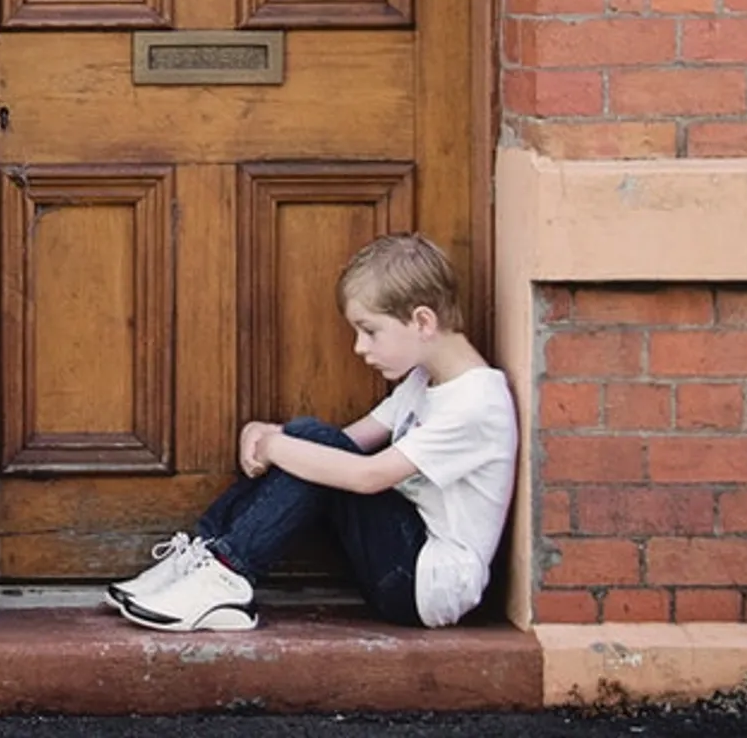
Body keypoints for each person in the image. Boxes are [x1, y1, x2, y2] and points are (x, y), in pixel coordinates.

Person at [107, 232, 517, 634]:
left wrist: (276, 446)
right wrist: (266, 433)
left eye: (370, 331)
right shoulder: (422, 381)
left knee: (311, 441)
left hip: (425, 584)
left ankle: (225, 577)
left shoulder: (477, 402)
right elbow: (345, 443)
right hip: (398, 559)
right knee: (309, 436)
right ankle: (202, 555)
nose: (359, 347)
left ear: (422, 321)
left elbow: (368, 475)